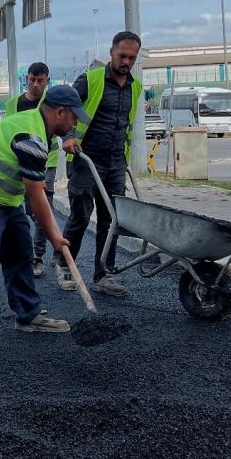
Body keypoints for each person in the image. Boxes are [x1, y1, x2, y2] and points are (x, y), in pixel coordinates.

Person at [0, 84, 90, 354]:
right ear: (60, 112)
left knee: (20, 253)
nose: (75, 123)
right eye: (74, 116)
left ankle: (28, 315)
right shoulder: (32, 138)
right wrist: (55, 238)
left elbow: (33, 193)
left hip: (6, 197)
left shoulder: (38, 126)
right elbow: (37, 196)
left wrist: (50, 229)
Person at [57, 31, 143, 297]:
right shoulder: (91, 79)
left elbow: (126, 125)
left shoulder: (135, 87)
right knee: (81, 217)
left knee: (112, 220)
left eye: (131, 58)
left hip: (115, 162)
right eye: (122, 55)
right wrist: (68, 137)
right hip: (86, 159)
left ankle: (104, 274)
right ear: (111, 52)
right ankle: (65, 265)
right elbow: (62, 108)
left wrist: (124, 158)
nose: (126, 62)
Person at [4, 61, 59, 279]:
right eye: (32, 79)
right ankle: (22, 252)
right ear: (26, 78)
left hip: (46, 162)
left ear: (47, 81)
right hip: (19, 162)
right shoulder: (13, 104)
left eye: (40, 80)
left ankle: (38, 257)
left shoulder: (51, 103)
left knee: (41, 210)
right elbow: (7, 130)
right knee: (21, 209)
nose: (35, 84)